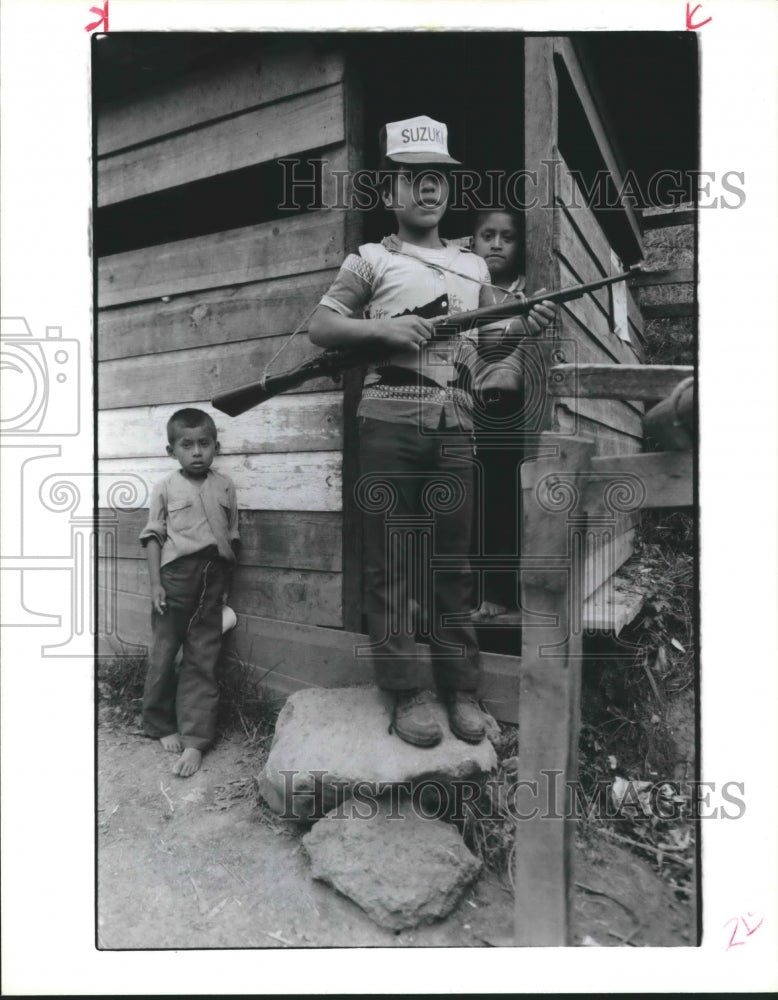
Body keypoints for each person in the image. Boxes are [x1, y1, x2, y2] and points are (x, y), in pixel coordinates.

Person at [308, 116, 554, 748]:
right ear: (392, 194)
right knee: (393, 561)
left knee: (453, 562)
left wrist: (526, 324)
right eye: (414, 180)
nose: (428, 191)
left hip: (455, 424)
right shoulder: (369, 260)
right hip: (389, 416)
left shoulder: (472, 266)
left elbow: (482, 341)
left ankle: (461, 688)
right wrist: (386, 331)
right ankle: (406, 688)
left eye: (439, 180)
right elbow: (324, 328)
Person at [139, 408, 240, 777]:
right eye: (187, 445)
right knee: (164, 654)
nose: (197, 451)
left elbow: (231, 539)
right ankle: (159, 723)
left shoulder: (225, 486)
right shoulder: (166, 487)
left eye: (204, 443)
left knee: (203, 658)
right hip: (175, 580)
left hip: (212, 581)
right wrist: (155, 586)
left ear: (216, 446)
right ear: (172, 451)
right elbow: (153, 538)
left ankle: (196, 739)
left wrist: (223, 588)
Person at [469, 209, 535, 620]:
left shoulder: (528, 290)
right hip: (460, 404)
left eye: (507, 237)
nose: (496, 243)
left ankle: (498, 591)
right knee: (461, 501)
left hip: (508, 412)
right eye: (487, 235)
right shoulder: (463, 283)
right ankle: (462, 590)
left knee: (501, 500)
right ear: (471, 241)